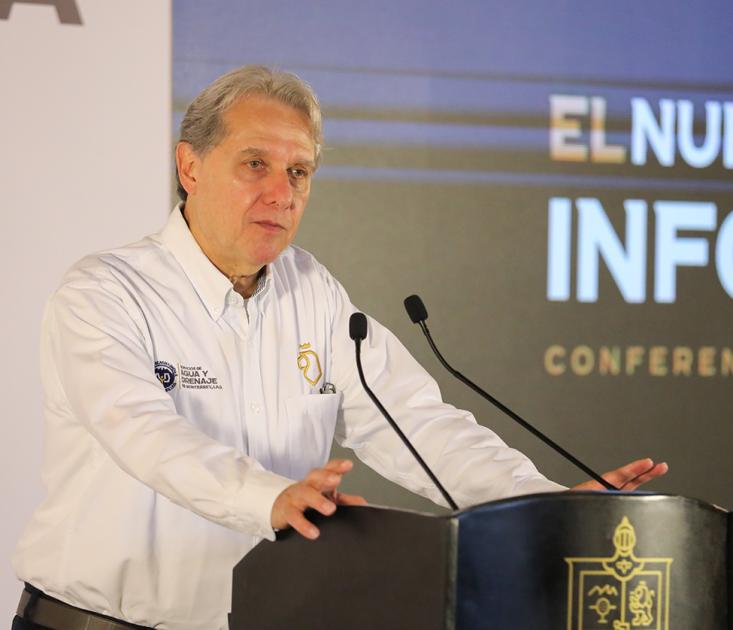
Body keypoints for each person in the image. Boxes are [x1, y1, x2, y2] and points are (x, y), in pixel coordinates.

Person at [12, 65, 667, 630]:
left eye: (298, 172)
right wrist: (266, 497)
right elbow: (142, 433)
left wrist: (546, 509)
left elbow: (415, 423)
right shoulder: (104, 292)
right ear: (190, 166)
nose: (281, 193)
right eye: (255, 164)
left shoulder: (313, 292)